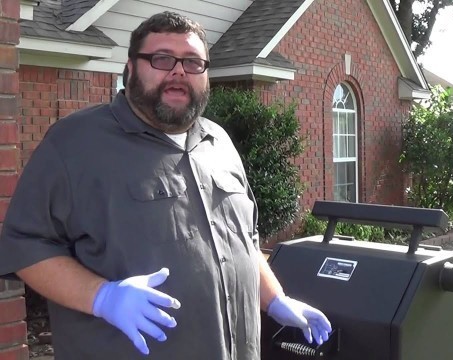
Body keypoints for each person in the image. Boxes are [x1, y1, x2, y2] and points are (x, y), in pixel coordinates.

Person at [0, 11, 331, 360]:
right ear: (130, 69)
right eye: (162, 59)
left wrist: (276, 299)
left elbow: (243, 241)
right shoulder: (74, 144)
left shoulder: (218, 142)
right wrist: (102, 297)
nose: (178, 71)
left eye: (192, 62)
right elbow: (25, 246)